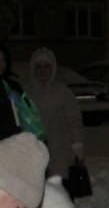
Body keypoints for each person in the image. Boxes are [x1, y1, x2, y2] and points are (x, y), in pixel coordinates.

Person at [27, 47, 85, 183]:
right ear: (33, 69)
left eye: (46, 66)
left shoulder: (63, 93)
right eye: (39, 66)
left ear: (52, 68)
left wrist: (78, 146)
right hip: (34, 154)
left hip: (60, 155)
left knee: (60, 195)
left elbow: (74, 122)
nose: (43, 70)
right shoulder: (27, 93)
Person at [0, 40, 45, 142]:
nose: (0, 64)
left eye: (3, 60)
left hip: (14, 143)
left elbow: (27, 113)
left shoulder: (12, 85)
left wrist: (20, 103)